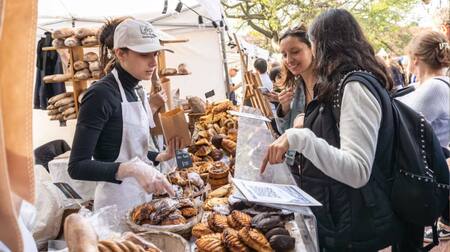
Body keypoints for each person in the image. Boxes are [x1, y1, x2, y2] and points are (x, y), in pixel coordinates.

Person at [261, 9, 412, 251]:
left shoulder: (353, 86)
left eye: (313, 42)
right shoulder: (343, 83)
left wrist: (299, 136)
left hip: (354, 217)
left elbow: (357, 170)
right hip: (340, 214)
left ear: (325, 44)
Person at [68, 19, 180, 215]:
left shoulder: (137, 90)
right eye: (145, 54)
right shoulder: (100, 94)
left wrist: (161, 156)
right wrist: (131, 169)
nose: (153, 62)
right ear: (121, 53)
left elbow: (135, 152)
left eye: (155, 53)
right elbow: (77, 166)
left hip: (143, 200)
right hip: (115, 207)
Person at [396, 30, 450, 242]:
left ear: (415, 59)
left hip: (424, 173)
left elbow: (399, 122)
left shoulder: (434, 88)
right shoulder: (431, 86)